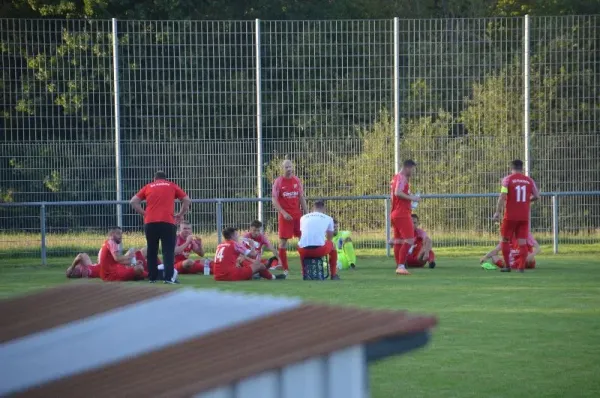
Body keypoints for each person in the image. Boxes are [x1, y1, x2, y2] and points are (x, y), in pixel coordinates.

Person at [130, 170, 191, 284]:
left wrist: (144, 213)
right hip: (167, 222)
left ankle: (152, 277)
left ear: (154, 179)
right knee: (168, 251)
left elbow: (133, 201)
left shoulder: (148, 186)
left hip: (150, 222)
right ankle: (168, 278)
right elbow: (186, 200)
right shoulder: (171, 185)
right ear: (165, 179)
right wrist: (180, 214)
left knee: (152, 250)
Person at [492, 159, 540, 273]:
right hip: (523, 216)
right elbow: (537, 196)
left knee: (505, 240)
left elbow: (502, 196)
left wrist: (497, 212)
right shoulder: (529, 180)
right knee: (522, 242)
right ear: (522, 168)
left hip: (510, 216)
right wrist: (527, 201)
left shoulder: (507, 179)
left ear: (511, 168)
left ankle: (507, 266)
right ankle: (521, 267)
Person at [272, 159, 308, 274]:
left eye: (290, 167)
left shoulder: (296, 180)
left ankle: (305, 268)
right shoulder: (278, 182)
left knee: (303, 241)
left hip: (297, 215)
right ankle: (285, 268)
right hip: (285, 216)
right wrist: (283, 213)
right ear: (282, 169)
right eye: (286, 167)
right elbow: (274, 200)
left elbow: (301, 197)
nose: (289, 169)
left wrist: (306, 213)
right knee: (283, 242)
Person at [213, 227, 286, 281]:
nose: (238, 236)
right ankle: (273, 277)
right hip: (230, 275)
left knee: (247, 264)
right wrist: (252, 245)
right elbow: (253, 254)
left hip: (217, 276)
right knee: (259, 265)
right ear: (232, 236)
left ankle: (255, 275)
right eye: (236, 234)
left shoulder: (220, 245)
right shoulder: (234, 244)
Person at [390, 159, 421, 275]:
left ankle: (399, 264)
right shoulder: (402, 177)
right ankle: (401, 265)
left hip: (395, 213)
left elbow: (397, 195)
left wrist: (409, 198)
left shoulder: (395, 178)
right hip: (402, 213)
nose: (413, 172)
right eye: (412, 169)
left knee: (398, 241)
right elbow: (398, 192)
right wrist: (413, 198)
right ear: (408, 167)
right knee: (410, 239)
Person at [297, 200, 339, 280]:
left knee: (300, 243)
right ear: (324, 209)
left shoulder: (303, 218)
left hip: (303, 251)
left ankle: (304, 273)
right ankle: (333, 274)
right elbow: (329, 238)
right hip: (319, 250)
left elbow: (303, 234)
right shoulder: (328, 218)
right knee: (333, 245)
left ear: (313, 208)